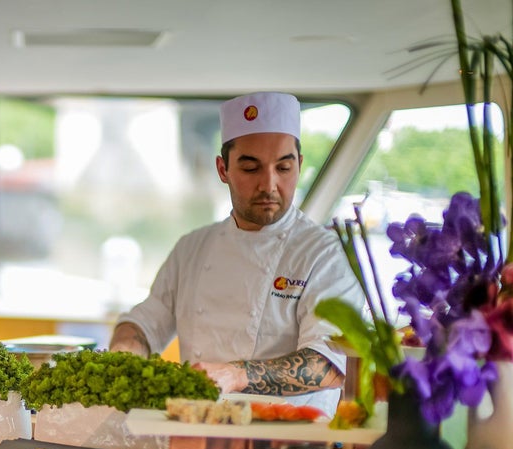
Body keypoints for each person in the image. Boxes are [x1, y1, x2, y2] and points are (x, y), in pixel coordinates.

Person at [109, 91, 362, 413]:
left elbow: (328, 365)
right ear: (223, 169)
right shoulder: (192, 248)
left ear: (299, 165)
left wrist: (234, 374)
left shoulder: (324, 254)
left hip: (292, 443)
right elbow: (144, 322)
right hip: (196, 427)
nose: (268, 185)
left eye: (283, 168)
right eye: (251, 168)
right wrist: (125, 354)